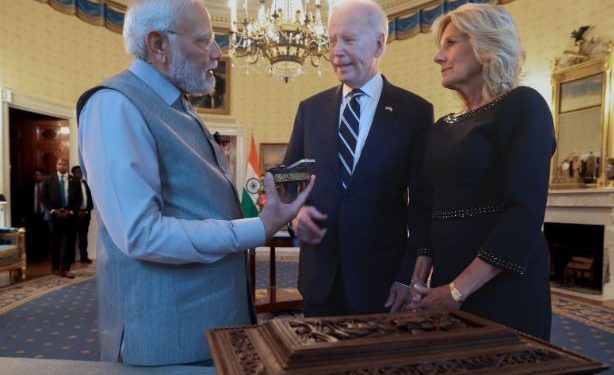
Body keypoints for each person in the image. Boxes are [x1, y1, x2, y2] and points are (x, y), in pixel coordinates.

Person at [77, 0, 313, 366]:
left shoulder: (180, 107)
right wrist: (260, 227)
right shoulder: (114, 106)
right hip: (164, 336)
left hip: (208, 327)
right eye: (204, 41)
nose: (217, 54)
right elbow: (141, 233)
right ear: (158, 45)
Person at [408, 3, 555, 340]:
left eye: (451, 44)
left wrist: (458, 290)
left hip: (505, 286)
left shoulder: (523, 104)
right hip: (446, 283)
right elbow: (426, 207)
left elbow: (525, 212)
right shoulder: (443, 126)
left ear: (486, 46)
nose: (438, 57)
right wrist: (419, 280)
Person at [284, 0, 433, 317]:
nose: (335, 52)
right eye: (331, 40)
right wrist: (296, 214)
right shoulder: (310, 109)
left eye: (348, 40)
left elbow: (423, 205)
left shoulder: (415, 113)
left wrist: (408, 276)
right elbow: (286, 177)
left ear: (379, 43)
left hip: (381, 284)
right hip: (318, 279)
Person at [42, 158, 81, 278]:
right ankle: (55, 267)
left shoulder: (74, 180)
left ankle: (65, 268)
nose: (62, 166)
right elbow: (44, 198)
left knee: (69, 243)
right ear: (56, 165)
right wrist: (53, 210)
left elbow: (79, 199)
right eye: (59, 164)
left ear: (67, 166)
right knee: (55, 242)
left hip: (69, 215)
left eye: (64, 164)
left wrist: (71, 211)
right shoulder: (48, 179)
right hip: (55, 215)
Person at [21, 168, 50, 262]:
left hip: (44, 215)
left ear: (43, 176)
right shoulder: (28, 187)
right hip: (32, 216)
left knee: (44, 235)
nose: (38, 177)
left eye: (40, 175)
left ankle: (43, 255)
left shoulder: (48, 186)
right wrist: (24, 216)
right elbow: (23, 202)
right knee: (32, 236)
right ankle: (33, 256)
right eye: (36, 175)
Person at [71, 166, 93, 263]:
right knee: (72, 237)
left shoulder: (86, 183)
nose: (79, 174)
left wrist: (87, 211)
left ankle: (84, 257)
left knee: (83, 237)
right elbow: (69, 200)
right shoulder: (71, 184)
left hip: (86, 215)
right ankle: (71, 258)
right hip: (75, 215)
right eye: (77, 172)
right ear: (73, 174)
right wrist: (77, 211)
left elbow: (90, 200)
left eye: (80, 172)